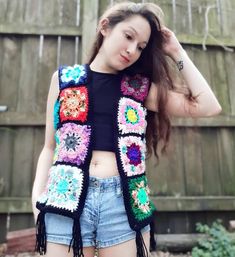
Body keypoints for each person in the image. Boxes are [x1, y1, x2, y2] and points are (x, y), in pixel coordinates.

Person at [31, 2, 222, 257]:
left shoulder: (140, 89)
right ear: (105, 27)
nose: (132, 50)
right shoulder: (64, 79)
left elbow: (208, 105)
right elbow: (49, 147)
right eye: (128, 36)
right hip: (64, 195)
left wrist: (176, 52)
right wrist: (35, 200)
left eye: (141, 47)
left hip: (122, 202)